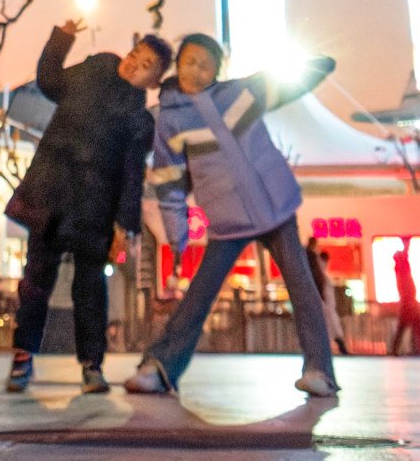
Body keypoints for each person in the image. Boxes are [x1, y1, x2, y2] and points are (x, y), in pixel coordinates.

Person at [129, 34, 341, 400]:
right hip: (229, 219)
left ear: (217, 71)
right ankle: (159, 367)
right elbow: (169, 181)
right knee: (200, 295)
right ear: (179, 64)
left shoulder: (240, 93)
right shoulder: (171, 120)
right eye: (191, 61)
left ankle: (319, 370)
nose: (197, 70)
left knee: (303, 290)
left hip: (276, 208)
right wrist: (176, 234)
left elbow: (280, 85)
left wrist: (317, 66)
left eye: (206, 65)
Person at [0, 24, 169, 394]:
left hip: (95, 211)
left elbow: (131, 175)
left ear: (154, 82)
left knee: (90, 290)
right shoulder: (98, 69)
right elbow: (50, 83)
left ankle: (92, 365)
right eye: (133, 56)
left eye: (145, 66)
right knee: (35, 282)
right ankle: (23, 356)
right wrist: (61, 38)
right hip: (51, 197)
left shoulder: (139, 121)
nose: (132, 66)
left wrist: (126, 227)